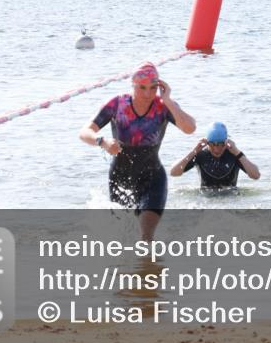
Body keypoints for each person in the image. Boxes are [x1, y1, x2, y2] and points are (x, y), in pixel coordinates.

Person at [80, 62, 195, 241]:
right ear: (133, 84)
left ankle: (148, 267)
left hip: (152, 178)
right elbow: (85, 132)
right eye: (142, 88)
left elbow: (190, 128)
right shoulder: (117, 104)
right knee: (121, 237)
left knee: (146, 235)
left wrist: (169, 101)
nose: (148, 94)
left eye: (153, 88)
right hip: (120, 177)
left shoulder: (163, 107)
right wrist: (103, 142)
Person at [170, 122, 260, 190]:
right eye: (212, 144)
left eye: (221, 144)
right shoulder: (200, 155)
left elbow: (256, 175)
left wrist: (237, 153)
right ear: (207, 142)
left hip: (231, 199)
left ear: (226, 142)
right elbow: (173, 173)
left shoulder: (234, 154)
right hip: (207, 199)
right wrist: (193, 152)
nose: (217, 149)